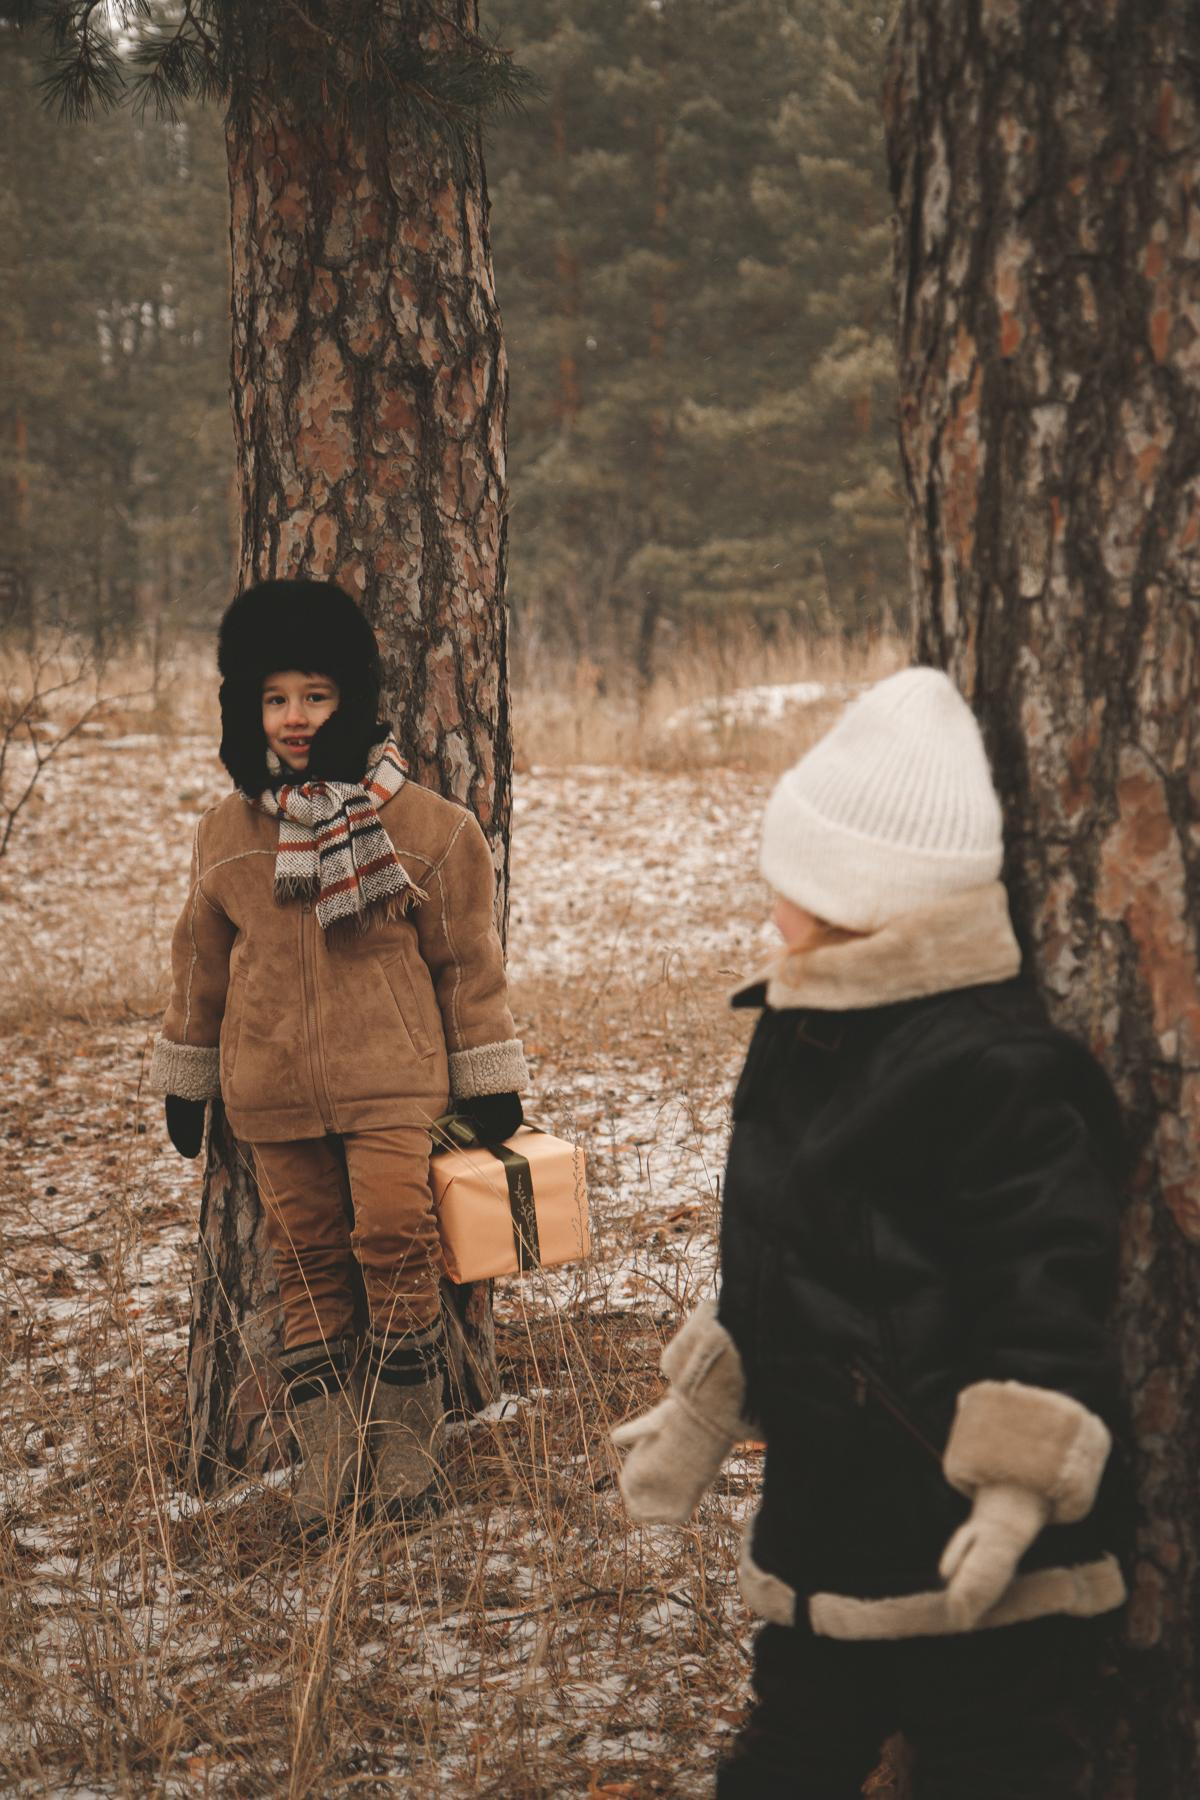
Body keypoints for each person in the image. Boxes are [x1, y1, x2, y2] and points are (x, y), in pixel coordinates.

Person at [613, 667, 1130, 1798]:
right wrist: (705, 1401)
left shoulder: (996, 1070)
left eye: (792, 883)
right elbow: (779, 1253)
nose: (772, 907)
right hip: (832, 1509)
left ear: (865, 898)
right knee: (786, 1757)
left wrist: (1016, 1492)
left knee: (996, 1769)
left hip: (964, 1530)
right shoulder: (802, 1032)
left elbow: (1045, 1283)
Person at [150, 578, 526, 1532]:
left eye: (315, 695)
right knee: (306, 1258)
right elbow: (199, 966)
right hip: (271, 1091)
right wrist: (188, 1078)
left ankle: (406, 1446)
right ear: (247, 708)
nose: (295, 718)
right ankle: (328, 1458)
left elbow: (467, 966)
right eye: (275, 698)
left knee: (398, 1239)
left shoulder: (427, 827)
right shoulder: (227, 834)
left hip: (394, 1082)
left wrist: (489, 1077)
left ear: (350, 698)